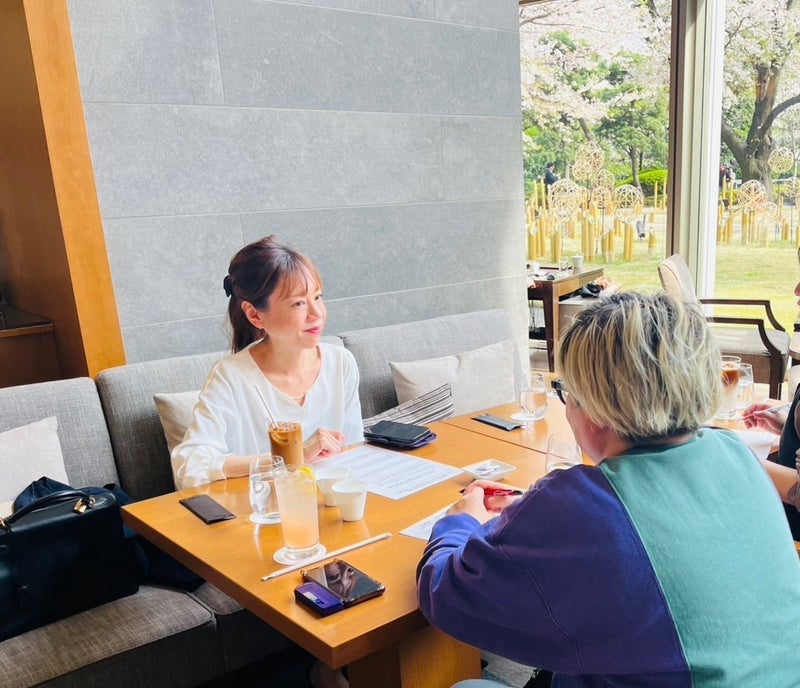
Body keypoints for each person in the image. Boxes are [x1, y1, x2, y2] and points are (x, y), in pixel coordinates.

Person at [417, 292, 800, 688]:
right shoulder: (733, 451)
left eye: (568, 393)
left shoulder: (582, 505)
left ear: (595, 409)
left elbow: (447, 596)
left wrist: (461, 521)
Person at [171, 236, 364, 491]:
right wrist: (289, 457)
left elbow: (354, 449)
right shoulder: (231, 376)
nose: (317, 313)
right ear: (254, 314)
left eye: (318, 297)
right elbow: (189, 467)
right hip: (262, 510)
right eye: (298, 303)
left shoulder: (340, 362)